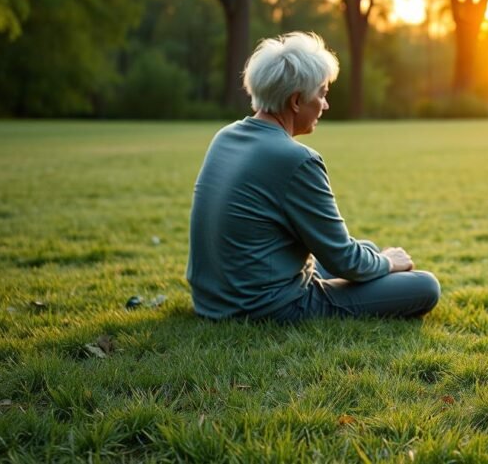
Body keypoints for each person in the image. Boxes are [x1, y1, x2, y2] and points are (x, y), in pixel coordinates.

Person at [186, 32, 440, 322]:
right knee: (424, 286)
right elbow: (343, 259)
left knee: (366, 248)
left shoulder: (225, 137)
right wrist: (387, 264)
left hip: (213, 298)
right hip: (263, 306)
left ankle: (375, 264)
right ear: (296, 101)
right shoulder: (296, 159)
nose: (325, 105)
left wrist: (376, 261)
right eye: (321, 93)